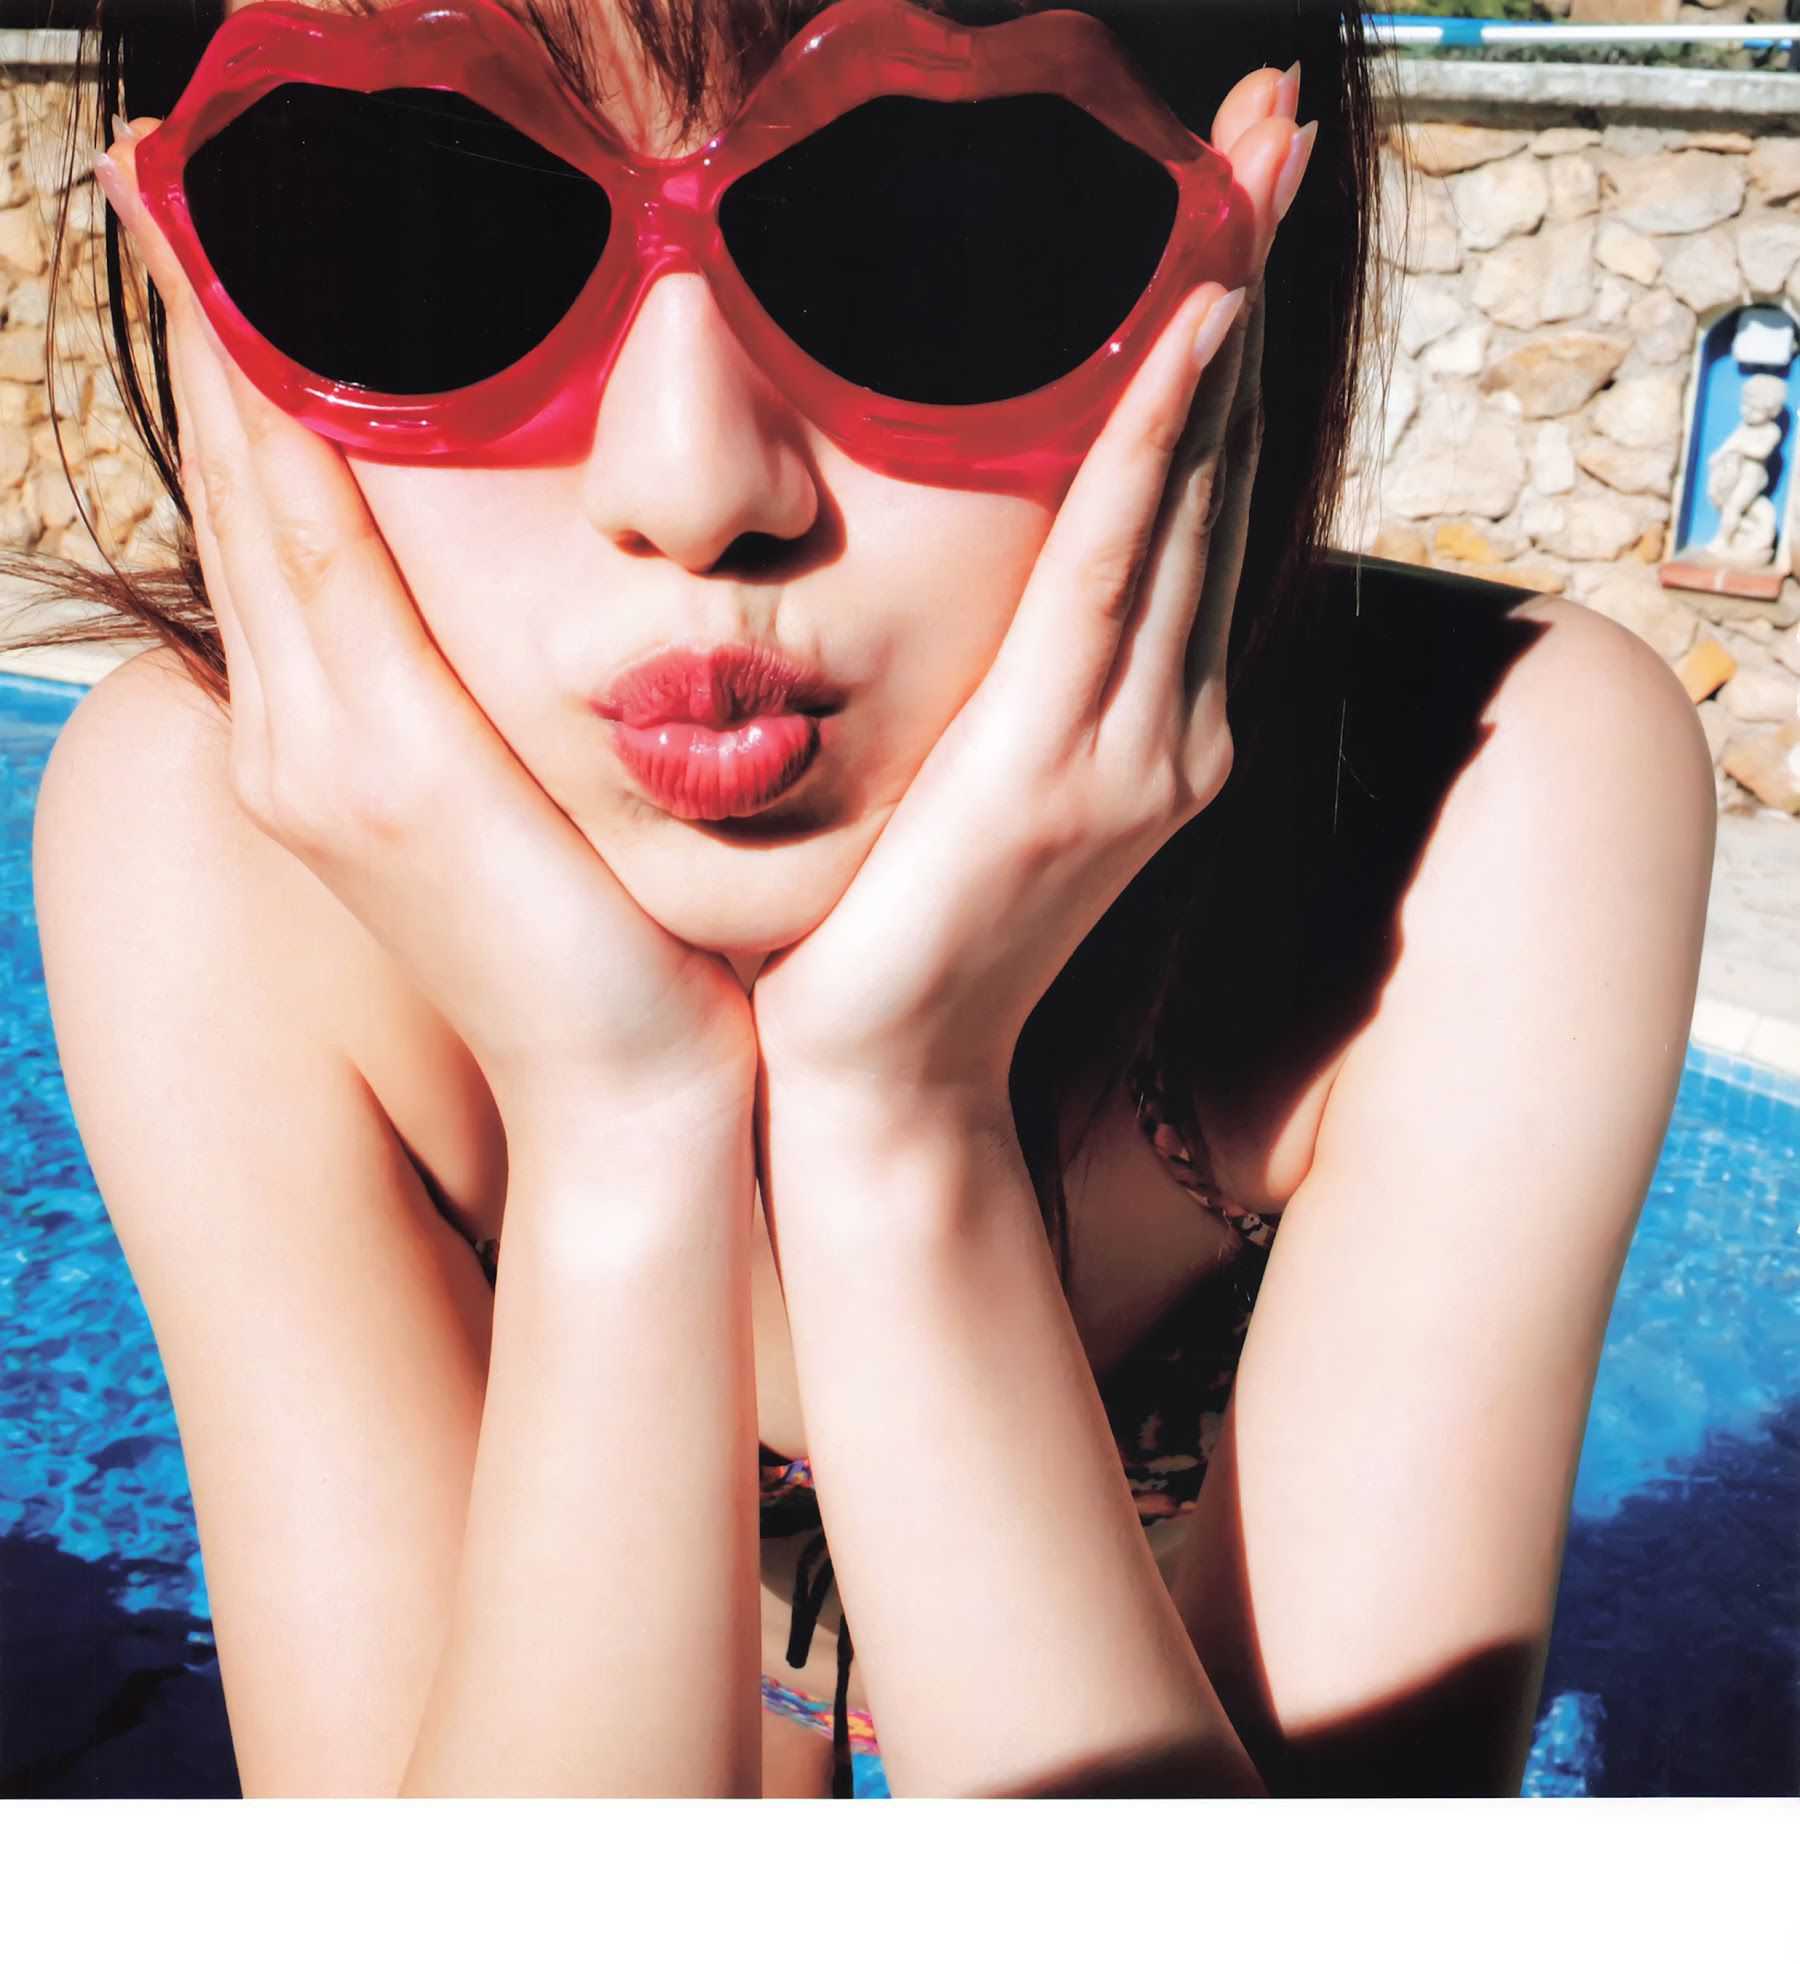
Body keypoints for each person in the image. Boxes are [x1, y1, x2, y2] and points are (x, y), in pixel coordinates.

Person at [18, 0, 1715, 1798]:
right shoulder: (216, 847)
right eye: (421, 231)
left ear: (1256, 247)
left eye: (938, 229)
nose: (693, 484)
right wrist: (617, 1121)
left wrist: (898, 1123)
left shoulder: (1488, 795)